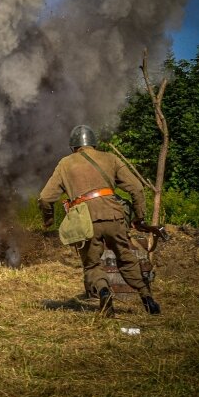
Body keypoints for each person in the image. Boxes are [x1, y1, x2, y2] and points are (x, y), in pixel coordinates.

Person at [38, 125, 161, 318]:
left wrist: (49, 221)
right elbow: (136, 188)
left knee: (92, 265)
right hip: (114, 215)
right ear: (93, 144)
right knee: (126, 257)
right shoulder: (110, 158)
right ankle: (147, 298)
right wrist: (139, 217)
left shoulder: (65, 163)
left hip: (85, 220)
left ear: (73, 147)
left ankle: (104, 292)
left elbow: (45, 198)